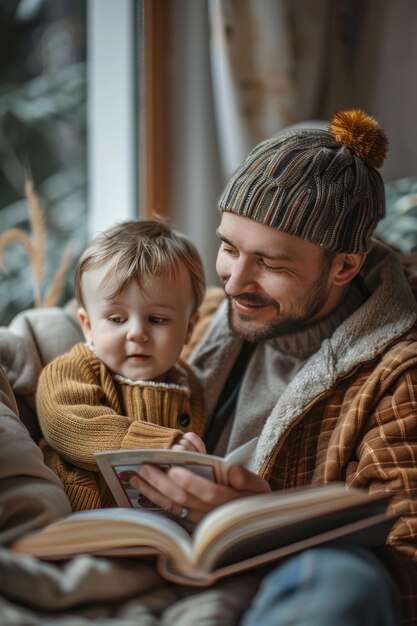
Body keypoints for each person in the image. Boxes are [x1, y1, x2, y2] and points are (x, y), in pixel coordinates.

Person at [129, 110, 417, 626]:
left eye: (271, 263)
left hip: (287, 588)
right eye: (228, 247)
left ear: (345, 266)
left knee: (346, 577)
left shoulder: (399, 378)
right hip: (170, 572)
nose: (236, 281)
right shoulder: (208, 322)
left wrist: (265, 523)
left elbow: (406, 565)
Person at [36, 219, 207, 511]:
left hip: (158, 521)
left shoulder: (189, 383)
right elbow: (69, 423)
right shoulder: (76, 368)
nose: (137, 333)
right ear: (88, 326)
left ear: (189, 329)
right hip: (82, 513)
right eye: (117, 319)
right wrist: (157, 445)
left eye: (157, 319)